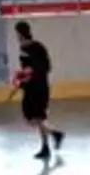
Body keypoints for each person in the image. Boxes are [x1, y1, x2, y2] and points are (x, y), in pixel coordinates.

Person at [13, 21, 65, 161]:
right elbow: (47, 67)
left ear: (20, 33)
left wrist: (23, 78)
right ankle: (46, 147)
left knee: (32, 118)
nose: (16, 36)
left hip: (34, 89)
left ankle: (55, 134)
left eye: (16, 33)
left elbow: (32, 69)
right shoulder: (39, 46)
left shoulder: (25, 49)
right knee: (40, 118)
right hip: (42, 86)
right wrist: (23, 77)